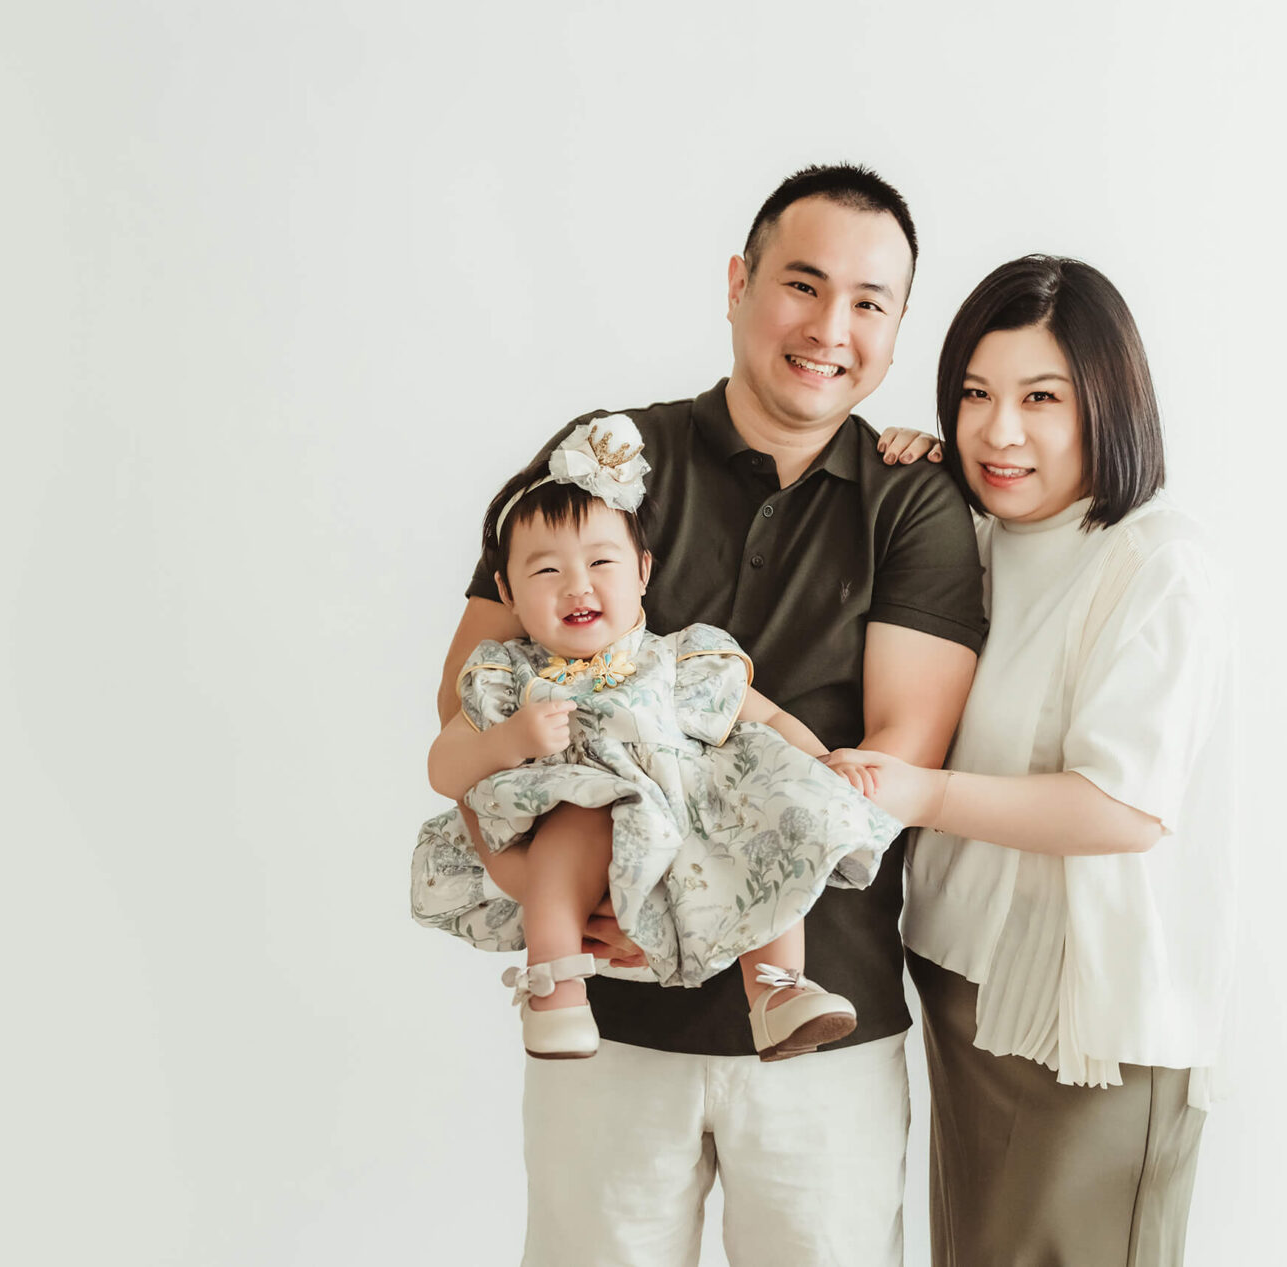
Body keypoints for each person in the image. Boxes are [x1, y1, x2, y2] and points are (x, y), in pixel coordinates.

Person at [431, 164, 984, 1265]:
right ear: (738, 283)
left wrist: (695, 910)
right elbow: (472, 697)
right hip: (612, 1023)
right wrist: (532, 881)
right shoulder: (609, 460)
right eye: (801, 284)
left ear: (898, 325)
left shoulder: (912, 500)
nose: (831, 327)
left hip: (827, 1024)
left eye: (869, 303)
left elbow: (888, 766)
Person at [835, 255, 1237, 1267]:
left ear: (1108, 402)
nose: (997, 430)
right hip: (965, 986)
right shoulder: (975, 534)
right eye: (974, 393)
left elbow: (1121, 806)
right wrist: (916, 489)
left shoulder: (1155, 561)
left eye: (1039, 399)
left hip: (1084, 1027)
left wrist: (915, 791)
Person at [415, 414, 900, 1062]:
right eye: (547, 570)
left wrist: (823, 762)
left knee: (762, 821)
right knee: (572, 831)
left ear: (643, 572)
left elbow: (763, 718)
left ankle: (778, 989)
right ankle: (554, 988)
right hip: (589, 830)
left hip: (692, 825)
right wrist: (509, 740)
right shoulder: (510, 681)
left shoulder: (675, 661)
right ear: (506, 589)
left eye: (601, 561)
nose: (577, 584)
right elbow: (445, 766)